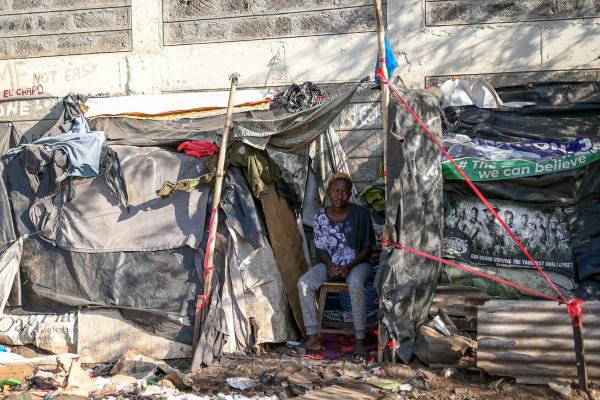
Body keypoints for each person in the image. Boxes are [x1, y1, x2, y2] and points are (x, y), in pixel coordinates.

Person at [297, 172, 375, 359]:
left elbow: (367, 249)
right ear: (329, 192)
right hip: (329, 264)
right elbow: (321, 249)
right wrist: (331, 265)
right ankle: (313, 338)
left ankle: (359, 341)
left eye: (344, 192)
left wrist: (349, 266)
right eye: (336, 191)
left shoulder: (361, 214)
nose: (339, 195)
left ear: (350, 194)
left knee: (355, 283)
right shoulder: (320, 217)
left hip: (358, 264)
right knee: (304, 283)